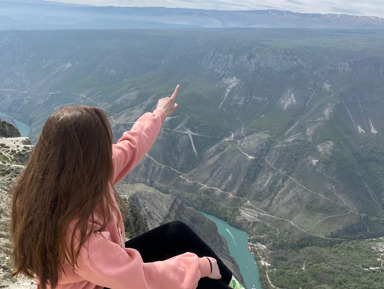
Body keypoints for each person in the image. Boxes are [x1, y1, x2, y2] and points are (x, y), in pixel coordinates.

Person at [10, 85, 246, 289]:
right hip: (96, 282)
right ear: (88, 155)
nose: (107, 150)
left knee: (176, 233)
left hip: (97, 272)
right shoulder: (75, 233)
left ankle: (229, 282)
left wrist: (159, 114)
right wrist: (200, 266)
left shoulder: (67, 178)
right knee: (203, 282)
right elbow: (137, 278)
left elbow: (131, 145)